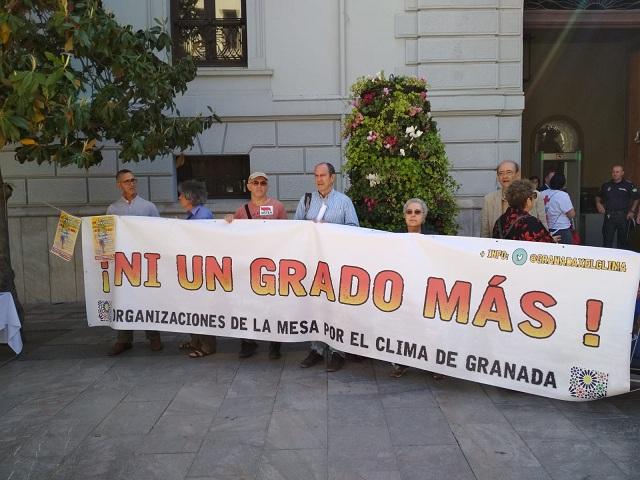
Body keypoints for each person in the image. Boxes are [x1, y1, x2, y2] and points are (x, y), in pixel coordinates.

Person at [294, 162, 359, 372]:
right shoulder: (306, 200)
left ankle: (338, 351)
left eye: (323, 175)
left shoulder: (344, 202)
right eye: (316, 175)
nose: (319, 179)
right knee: (316, 306)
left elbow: (354, 230)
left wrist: (328, 230)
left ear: (332, 178)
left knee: (336, 307)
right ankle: (317, 349)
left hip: (336, 264)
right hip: (313, 264)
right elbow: (295, 229)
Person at [225, 171, 287, 360]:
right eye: (255, 182)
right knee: (248, 305)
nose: (259, 186)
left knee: (273, 305)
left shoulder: (278, 207)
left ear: (266, 186)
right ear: (249, 186)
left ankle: (275, 343)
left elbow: (288, 232)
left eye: (263, 183)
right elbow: (233, 236)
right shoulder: (241, 211)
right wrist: (228, 222)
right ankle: (248, 342)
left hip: (272, 265)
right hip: (250, 267)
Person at [106, 169, 163, 355]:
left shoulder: (148, 207)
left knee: (148, 300)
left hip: (145, 262)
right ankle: (124, 339)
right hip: (123, 263)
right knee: (124, 300)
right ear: (119, 185)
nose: (131, 184)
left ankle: (153, 337)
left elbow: (159, 232)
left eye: (133, 180)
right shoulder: (113, 209)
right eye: (126, 181)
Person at [389, 199, 443, 380]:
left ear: (424, 216)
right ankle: (401, 363)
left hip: (427, 291)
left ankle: (434, 365)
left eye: (417, 212)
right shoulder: (393, 239)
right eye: (409, 212)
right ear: (404, 215)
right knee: (403, 326)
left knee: (428, 327)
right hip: (402, 291)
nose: (413, 215)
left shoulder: (434, 239)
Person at [177, 179, 216, 358]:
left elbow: (202, 240)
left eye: (181, 194)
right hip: (193, 268)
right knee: (193, 306)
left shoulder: (203, 214)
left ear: (190, 197)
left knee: (203, 307)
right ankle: (195, 341)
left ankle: (207, 346)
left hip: (202, 269)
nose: (179, 198)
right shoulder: (192, 215)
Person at [480, 161, 548, 238]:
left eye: (509, 172)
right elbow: (485, 233)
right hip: (499, 248)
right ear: (497, 177)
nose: (504, 176)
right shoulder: (489, 199)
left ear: (517, 175)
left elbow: (543, 224)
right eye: (501, 173)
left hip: (527, 247)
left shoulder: (534, 195)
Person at [596, 165, 639, 249]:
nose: (615, 174)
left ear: (622, 173)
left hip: (623, 216)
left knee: (623, 243)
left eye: (617, 172)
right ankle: (607, 260)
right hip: (609, 217)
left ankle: (622, 261)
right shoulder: (606, 185)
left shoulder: (628, 185)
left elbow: (636, 198)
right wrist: (598, 203)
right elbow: (598, 196)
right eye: (613, 172)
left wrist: (632, 211)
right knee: (607, 242)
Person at [541, 173, 576, 245]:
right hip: (561, 230)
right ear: (563, 184)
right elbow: (571, 214)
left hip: (545, 229)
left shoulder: (542, 193)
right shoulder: (562, 195)